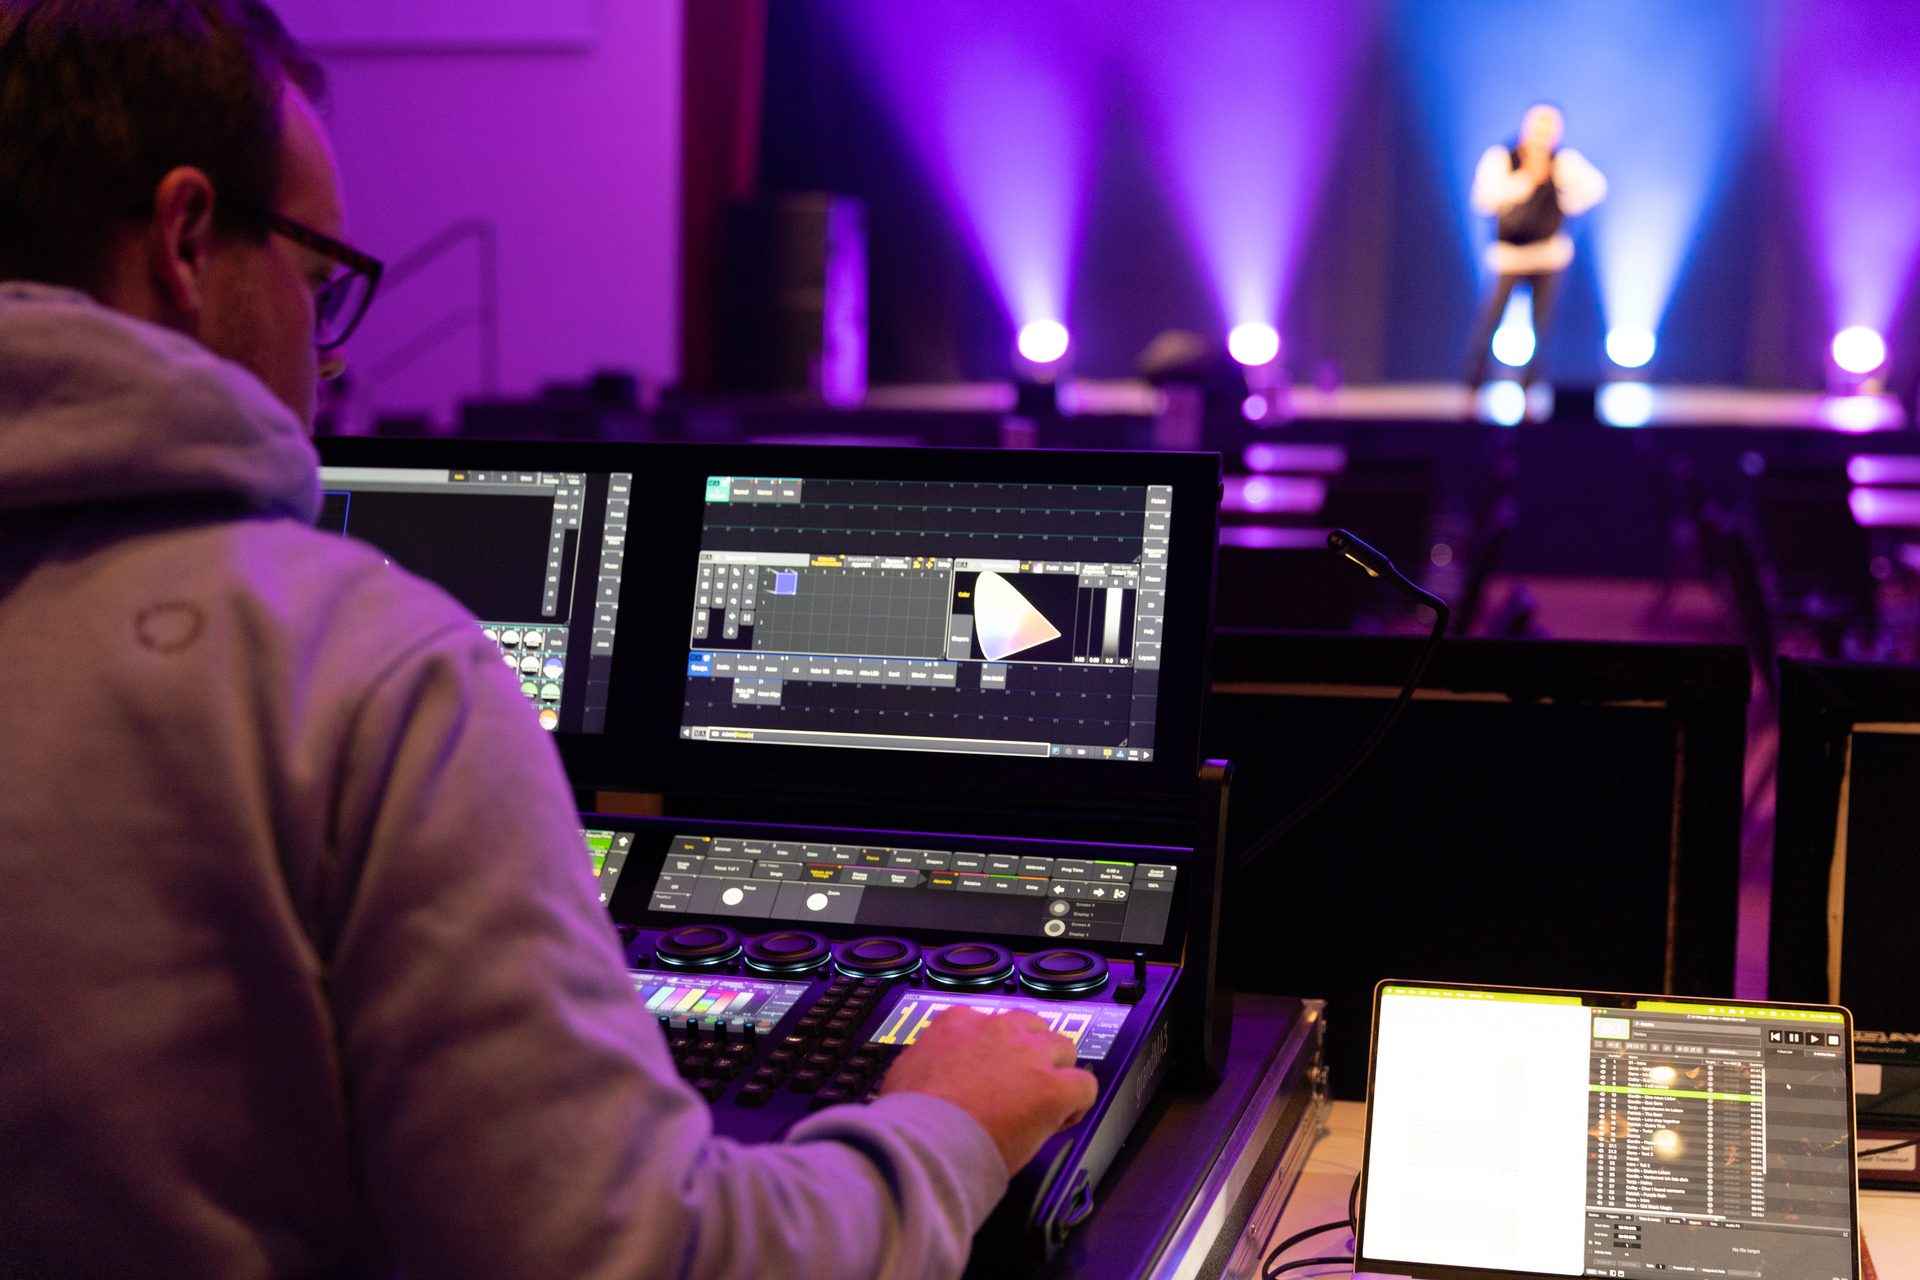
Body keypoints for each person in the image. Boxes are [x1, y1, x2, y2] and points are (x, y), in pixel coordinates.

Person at [0, 3, 1095, 1277]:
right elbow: (631, 1256)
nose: (328, 364)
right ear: (188, 239)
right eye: (314, 281)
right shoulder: (360, 667)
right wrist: (943, 1126)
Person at [1462, 103, 1606, 393]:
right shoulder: (1502, 158)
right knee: (1490, 322)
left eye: (1549, 128)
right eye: (1538, 127)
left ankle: (1529, 389)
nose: (1542, 135)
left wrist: (1567, 194)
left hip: (1547, 254)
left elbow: (1596, 188)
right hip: (1510, 255)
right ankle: (1473, 388)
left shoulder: (1563, 162)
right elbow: (1483, 199)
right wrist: (1526, 179)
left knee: (1541, 328)